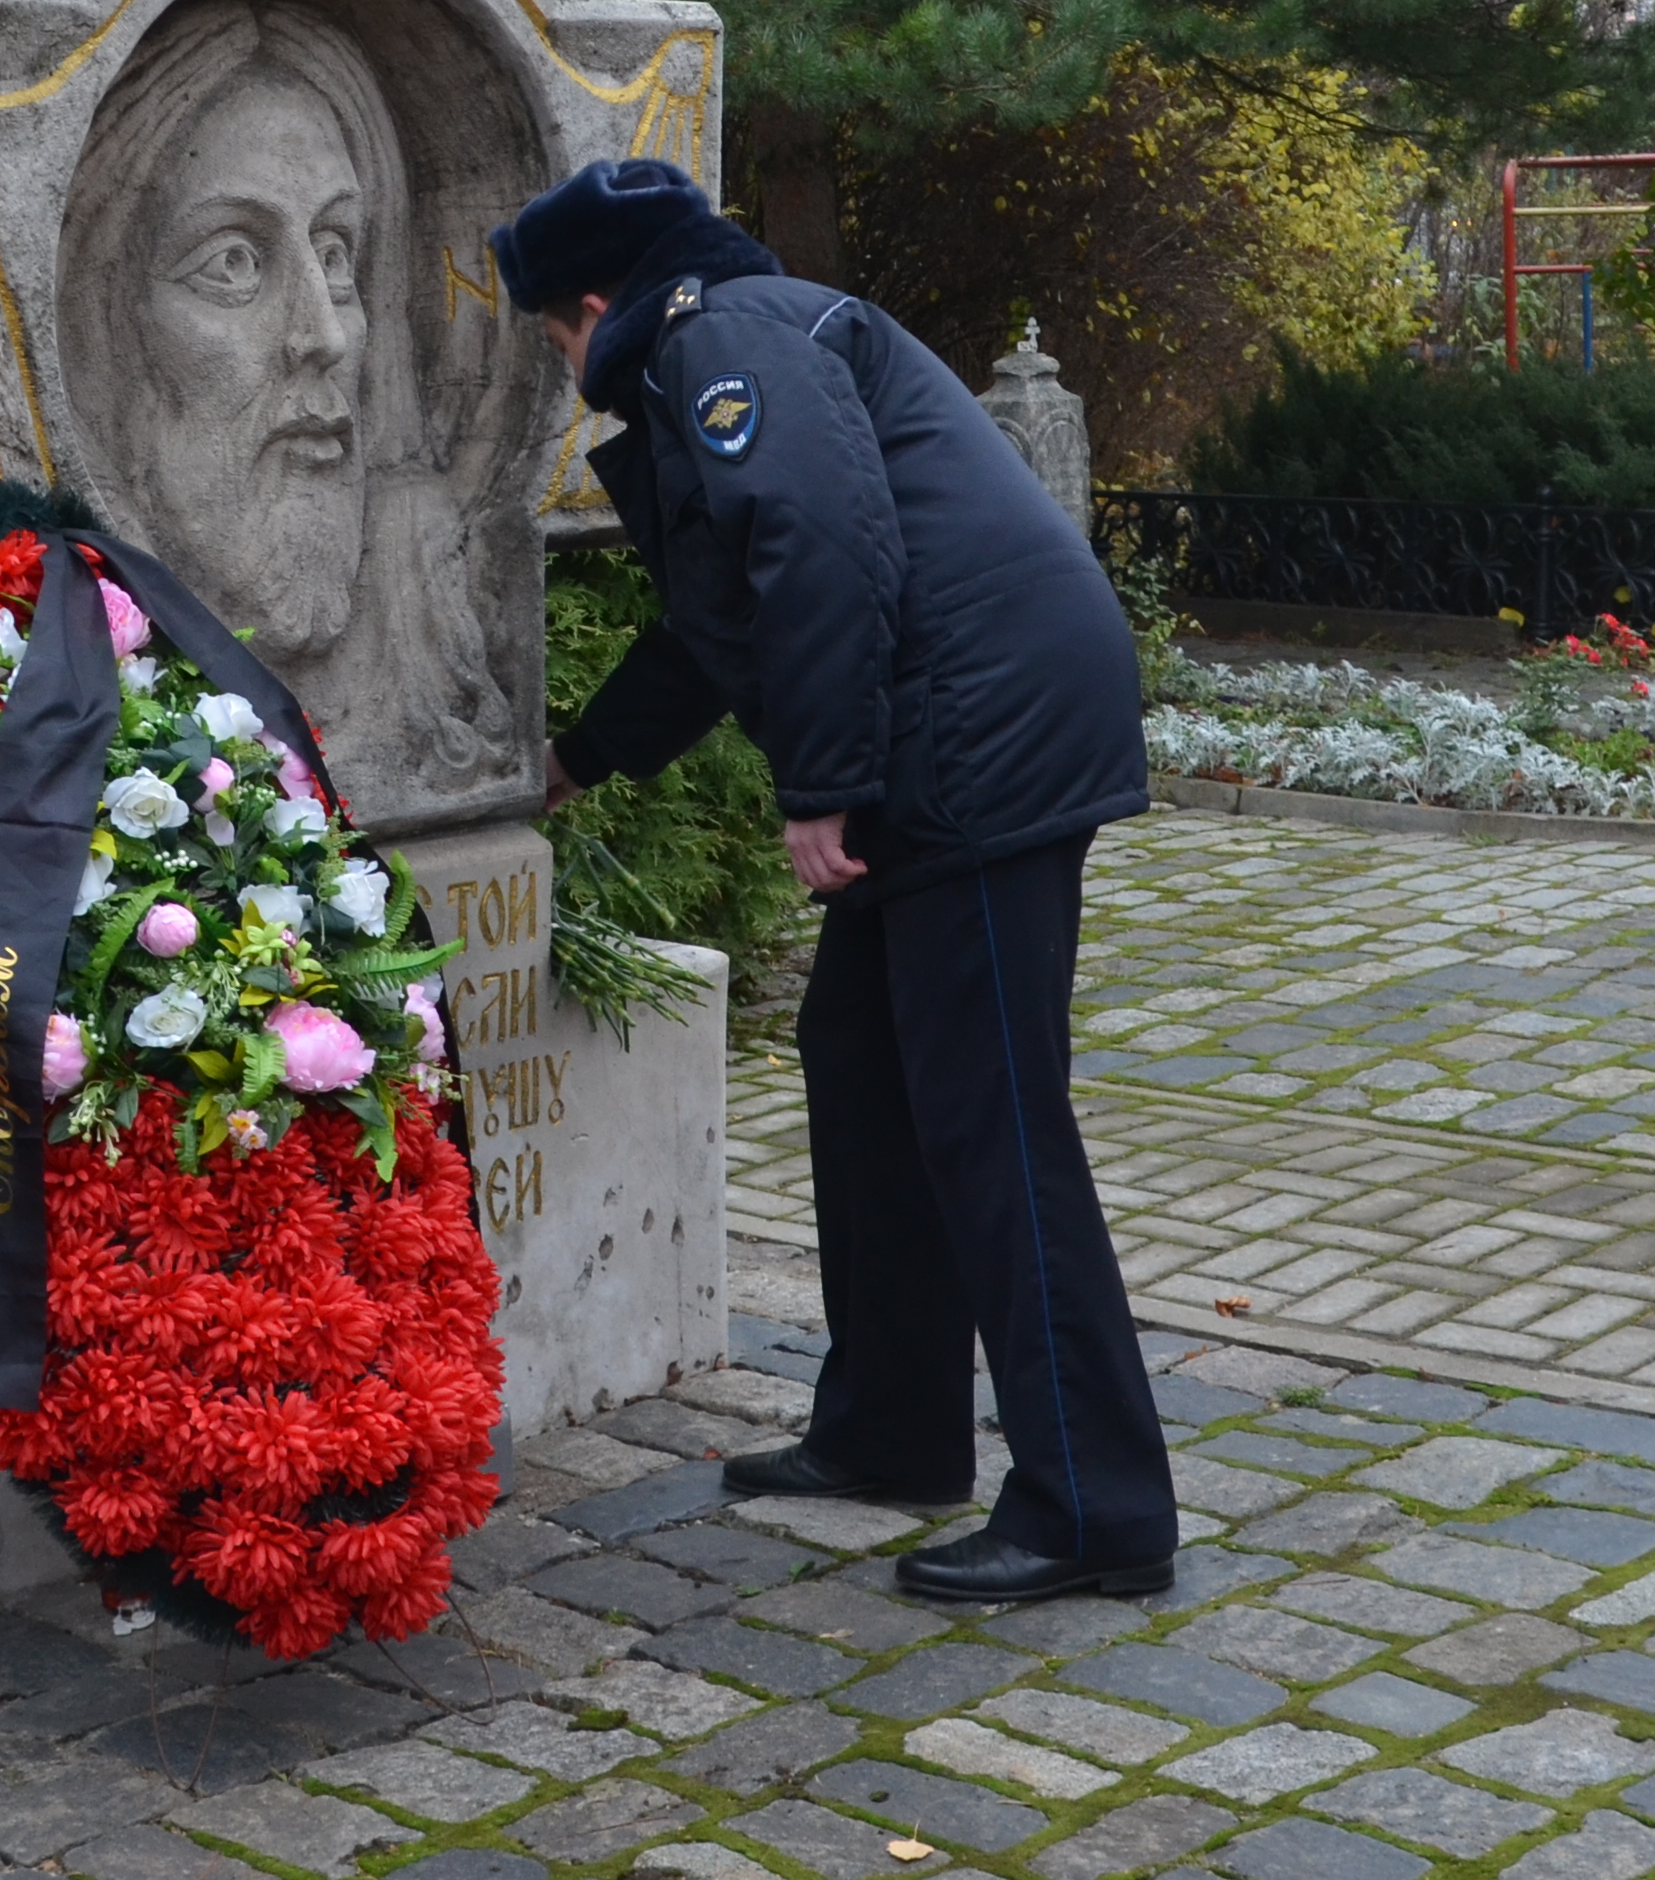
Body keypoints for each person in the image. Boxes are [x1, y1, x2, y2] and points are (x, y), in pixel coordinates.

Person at [495, 153, 1180, 1605]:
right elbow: (723, 620)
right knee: (862, 1058)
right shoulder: (730, 339)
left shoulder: (725, 339)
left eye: (553, 334)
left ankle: (1095, 1509)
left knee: (994, 1115)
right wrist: (579, 759)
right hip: (958, 727)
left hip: (977, 745)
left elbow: (815, 548)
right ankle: (893, 1428)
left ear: (597, 303)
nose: (563, 368)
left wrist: (823, 786)